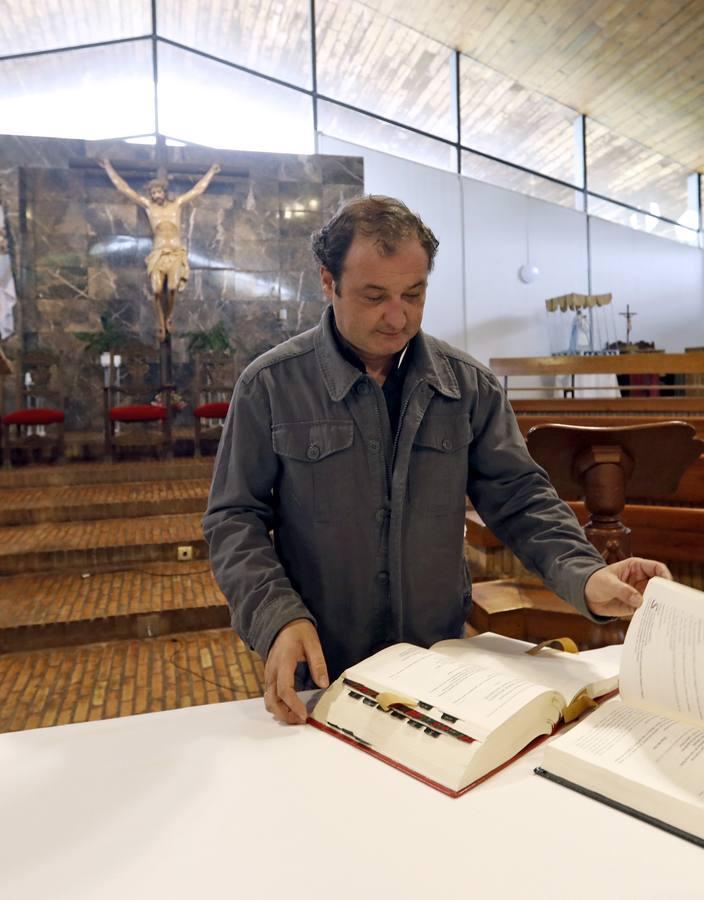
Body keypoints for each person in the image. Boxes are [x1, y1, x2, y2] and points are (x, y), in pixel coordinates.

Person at [203, 195, 672, 725]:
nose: (397, 316)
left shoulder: (467, 386)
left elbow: (520, 498)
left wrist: (586, 575)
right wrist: (275, 618)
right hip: (318, 667)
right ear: (328, 282)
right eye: (375, 295)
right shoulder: (271, 386)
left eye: (414, 293)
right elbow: (233, 518)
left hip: (437, 669)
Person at [100, 157, 221, 343]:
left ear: (165, 192)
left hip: (175, 254)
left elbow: (197, 190)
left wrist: (211, 172)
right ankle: (160, 320)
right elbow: (124, 189)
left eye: (159, 191)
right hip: (158, 253)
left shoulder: (177, 204)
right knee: (157, 290)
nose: (156, 195)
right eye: (153, 192)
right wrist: (109, 167)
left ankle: (169, 315)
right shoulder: (149, 207)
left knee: (172, 288)